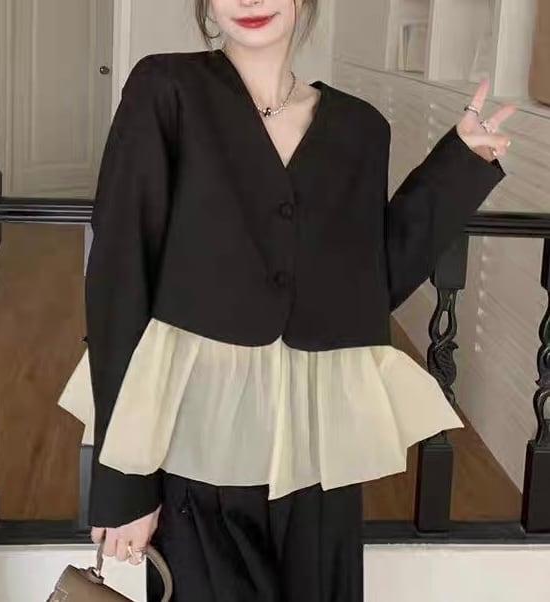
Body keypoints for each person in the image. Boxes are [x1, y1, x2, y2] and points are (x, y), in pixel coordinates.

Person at [57, 0, 515, 599]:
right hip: (194, 433)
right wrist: (123, 484)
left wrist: (460, 164)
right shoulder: (166, 89)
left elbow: (368, 286)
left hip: (315, 439)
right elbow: (119, 278)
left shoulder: (359, 128)